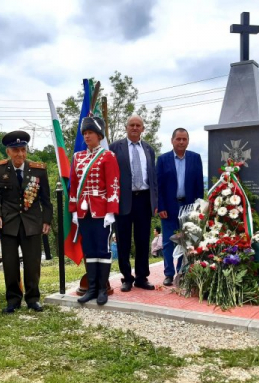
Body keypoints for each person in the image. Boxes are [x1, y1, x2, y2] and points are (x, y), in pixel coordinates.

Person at [0, 131, 52, 313]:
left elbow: (46, 199)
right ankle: (13, 300)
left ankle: (33, 298)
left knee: (32, 264)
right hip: (8, 223)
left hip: (32, 222)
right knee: (10, 264)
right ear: (8, 151)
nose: (20, 154)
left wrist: (46, 220)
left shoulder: (38, 169)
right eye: (16, 150)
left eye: (23, 150)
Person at [70, 116, 120, 305]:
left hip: (101, 210)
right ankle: (91, 288)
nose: (87, 136)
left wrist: (110, 211)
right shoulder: (78, 157)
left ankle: (102, 289)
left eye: (90, 132)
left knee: (103, 248)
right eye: (85, 133)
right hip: (84, 211)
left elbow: (113, 185)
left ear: (99, 135)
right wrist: (74, 210)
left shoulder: (108, 156)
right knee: (89, 248)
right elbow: (74, 186)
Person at [109, 115, 157, 292]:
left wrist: (155, 201)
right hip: (123, 200)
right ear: (126, 127)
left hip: (144, 199)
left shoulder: (149, 149)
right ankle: (126, 277)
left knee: (143, 239)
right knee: (123, 240)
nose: (135, 128)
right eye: (132, 125)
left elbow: (153, 177)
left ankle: (141, 277)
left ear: (143, 129)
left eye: (138, 125)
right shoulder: (115, 147)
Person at [157, 128, 204, 286]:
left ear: (188, 141)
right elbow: (159, 186)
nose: (181, 142)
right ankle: (169, 273)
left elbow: (199, 185)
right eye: (178, 139)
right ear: (172, 140)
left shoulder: (195, 158)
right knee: (168, 242)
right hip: (169, 207)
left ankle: (182, 273)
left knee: (186, 241)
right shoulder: (163, 160)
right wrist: (160, 206)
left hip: (189, 206)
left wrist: (198, 207)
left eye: (184, 139)